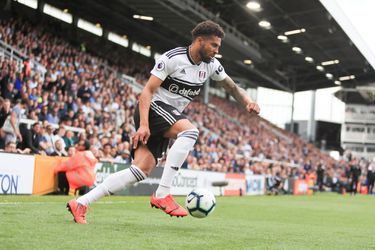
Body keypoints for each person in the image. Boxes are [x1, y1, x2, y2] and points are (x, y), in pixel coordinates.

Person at [67, 20, 260, 224]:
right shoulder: (172, 58)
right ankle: (162, 194)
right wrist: (143, 125)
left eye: (218, 47)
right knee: (190, 132)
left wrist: (248, 101)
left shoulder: (211, 65)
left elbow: (231, 87)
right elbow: (147, 92)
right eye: (214, 45)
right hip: (152, 108)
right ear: (200, 41)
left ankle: (81, 202)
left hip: (167, 115)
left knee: (140, 170)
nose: (216, 50)